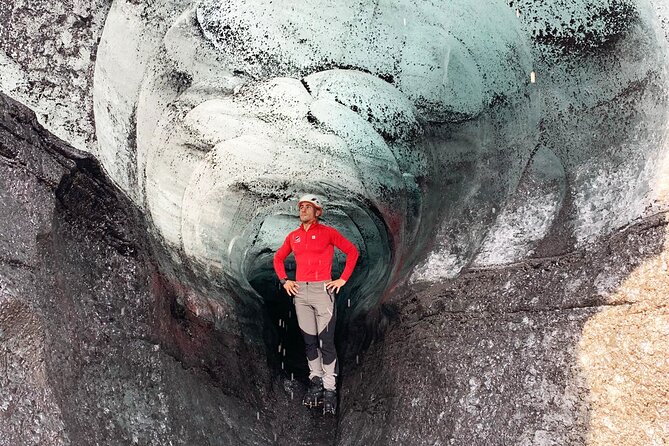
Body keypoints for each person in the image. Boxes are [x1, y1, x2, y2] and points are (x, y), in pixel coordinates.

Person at [273, 194, 359, 415]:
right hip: (301, 292)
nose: (303, 209)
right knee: (309, 341)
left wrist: (342, 279)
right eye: (301, 206)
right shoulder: (293, 237)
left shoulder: (328, 233)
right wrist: (285, 281)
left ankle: (330, 388)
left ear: (318, 212)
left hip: (323, 290)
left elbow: (352, 251)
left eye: (308, 207)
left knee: (326, 342)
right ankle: (315, 380)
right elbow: (278, 258)